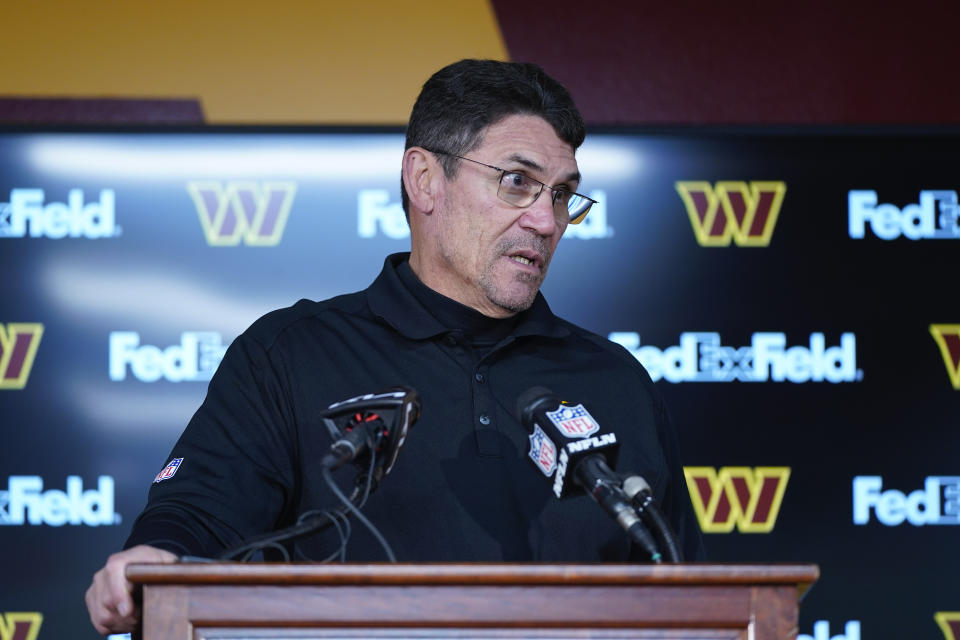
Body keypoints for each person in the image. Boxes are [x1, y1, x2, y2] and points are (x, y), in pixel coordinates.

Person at [85, 58, 705, 635]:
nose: (545, 222)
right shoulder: (291, 354)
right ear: (425, 179)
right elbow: (198, 519)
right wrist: (154, 560)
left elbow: (690, 595)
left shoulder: (615, 380)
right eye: (518, 182)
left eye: (563, 195)